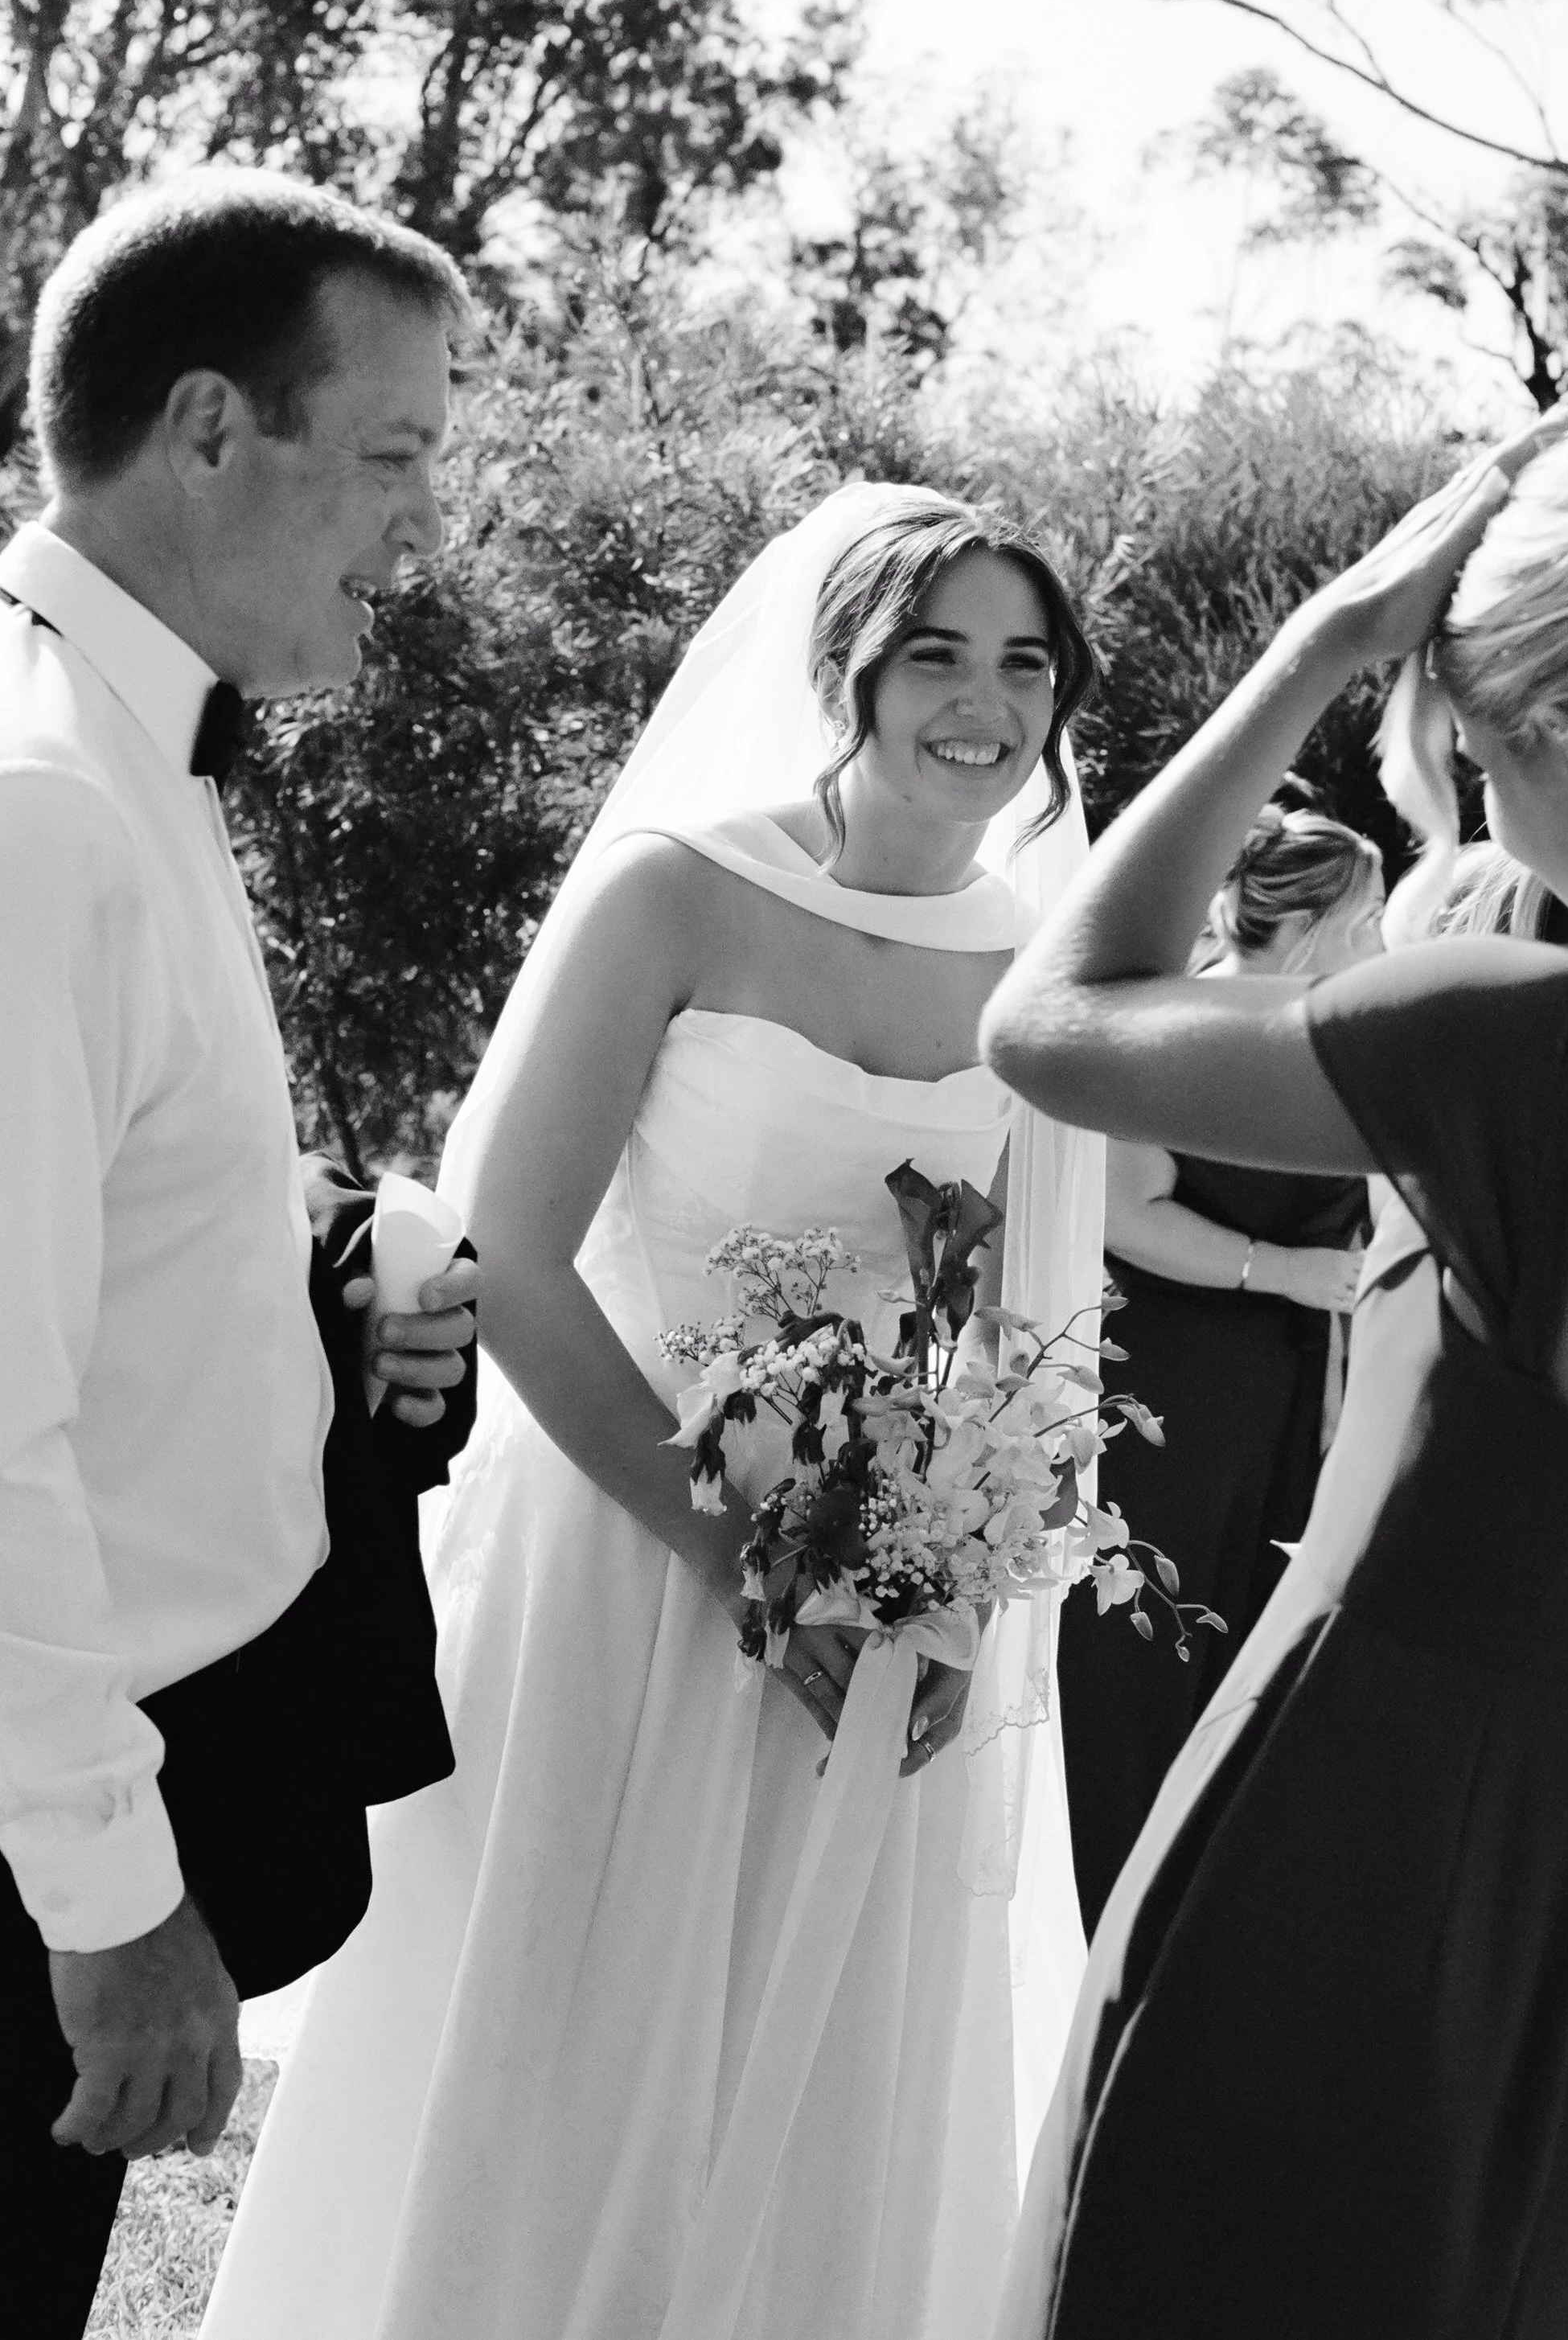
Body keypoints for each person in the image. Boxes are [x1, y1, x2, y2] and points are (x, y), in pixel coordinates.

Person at [200, 486, 1106, 2340]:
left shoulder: (1035, 952)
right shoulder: (679, 885)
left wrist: (949, 1581)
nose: (980, 702)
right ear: (842, 663)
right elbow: (510, 1251)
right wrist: (738, 1551)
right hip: (625, 1531)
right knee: (569, 2037)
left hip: (879, 1580)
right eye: (932, 651)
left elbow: (1016, 1316)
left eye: (1023, 663)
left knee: (812, 2040)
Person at [982, 395, 1568, 2338]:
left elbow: (1046, 1018)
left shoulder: (1514, 1040)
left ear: (1552, 748)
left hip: (1369, 1839)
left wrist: (1314, 649)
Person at [0, 171, 483, 2337]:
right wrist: (106, 1904)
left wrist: (332, 1264)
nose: (420, 524)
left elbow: (110, 1204)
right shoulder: (40, 809)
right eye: (391, 454)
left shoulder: (126, 762)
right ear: (211, 430)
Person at [1059, 797, 1379, 1928]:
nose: (1380, 940)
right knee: (1139, 1664)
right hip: (1166, 1392)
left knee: (1234, 1668)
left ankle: (1189, 1928)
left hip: (1282, 1399)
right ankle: (1103, 1917)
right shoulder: (1173, 1023)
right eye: (1367, 913)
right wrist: (1279, 1272)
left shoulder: (1340, 1041)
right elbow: (1124, 1209)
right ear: (1305, 920)